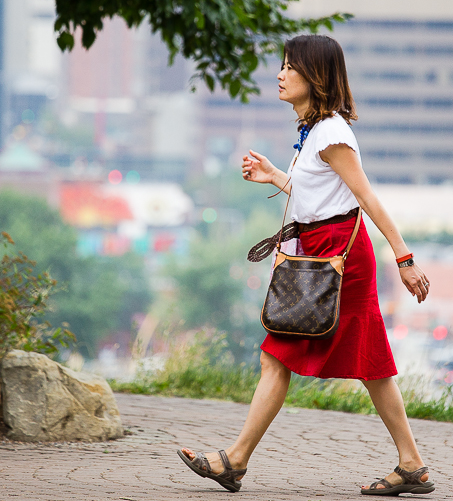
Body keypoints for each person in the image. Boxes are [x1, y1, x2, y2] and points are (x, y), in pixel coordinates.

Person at [177, 34, 434, 496]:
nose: (280, 74)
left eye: (289, 67)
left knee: (277, 355)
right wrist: (277, 176)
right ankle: (411, 463)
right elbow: (321, 199)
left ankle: (234, 461)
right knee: (369, 361)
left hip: (338, 255)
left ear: (313, 76)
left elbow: (364, 196)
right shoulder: (313, 131)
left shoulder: (332, 132)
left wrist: (404, 257)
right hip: (322, 248)